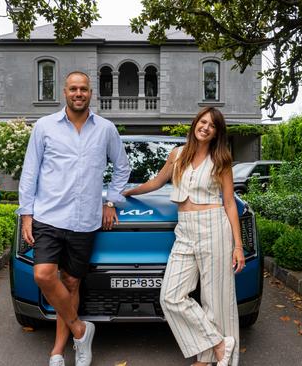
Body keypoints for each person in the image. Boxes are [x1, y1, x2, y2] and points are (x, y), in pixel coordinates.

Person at [16, 71, 130, 366]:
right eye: (73, 89)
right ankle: (81, 329)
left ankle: (59, 351)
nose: (78, 93)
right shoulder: (44, 127)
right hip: (49, 216)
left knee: (71, 284)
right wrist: (26, 215)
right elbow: (30, 172)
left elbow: (122, 167)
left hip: (85, 220)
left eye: (83, 89)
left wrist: (110, 201)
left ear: (91, 93)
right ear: (64, 93)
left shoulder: (105, 129)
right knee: (43, 275)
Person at [123, 107, 245, 366]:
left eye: (212, 125)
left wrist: (238, 245)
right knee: (171, 296)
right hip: (185, 229)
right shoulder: (177, 155)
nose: (205, 127)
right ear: (195, 124)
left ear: (216, 132)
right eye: (203, 122)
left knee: (215, 298)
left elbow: (230, 203)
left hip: (214, 226)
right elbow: (157, 182)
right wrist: (124, 193)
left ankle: (208, 359)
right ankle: (219, 344)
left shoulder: (221, 160)